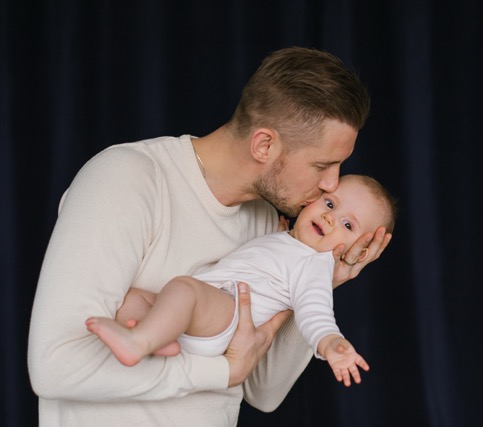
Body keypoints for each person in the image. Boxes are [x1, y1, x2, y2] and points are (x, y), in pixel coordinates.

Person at [28, 46, 392, 427]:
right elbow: (54, 367)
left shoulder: (270, 227)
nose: (332, 184)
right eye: (323, 165)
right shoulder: (126, 180)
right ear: (264, 145)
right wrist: (218, 373)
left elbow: (264, 393)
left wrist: (321, 277)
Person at [85, 174, 396, 387]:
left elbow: (316, 313)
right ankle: (155, 339)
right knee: (136, 298)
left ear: (359, 250)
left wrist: (332, 345)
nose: (330, 217)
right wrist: (278, 236)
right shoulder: (286, 241)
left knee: (183, 288)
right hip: (211, 308)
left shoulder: (315, 266)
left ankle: (137, 343)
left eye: (346, 224)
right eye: (329, 204)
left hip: (228, 319)